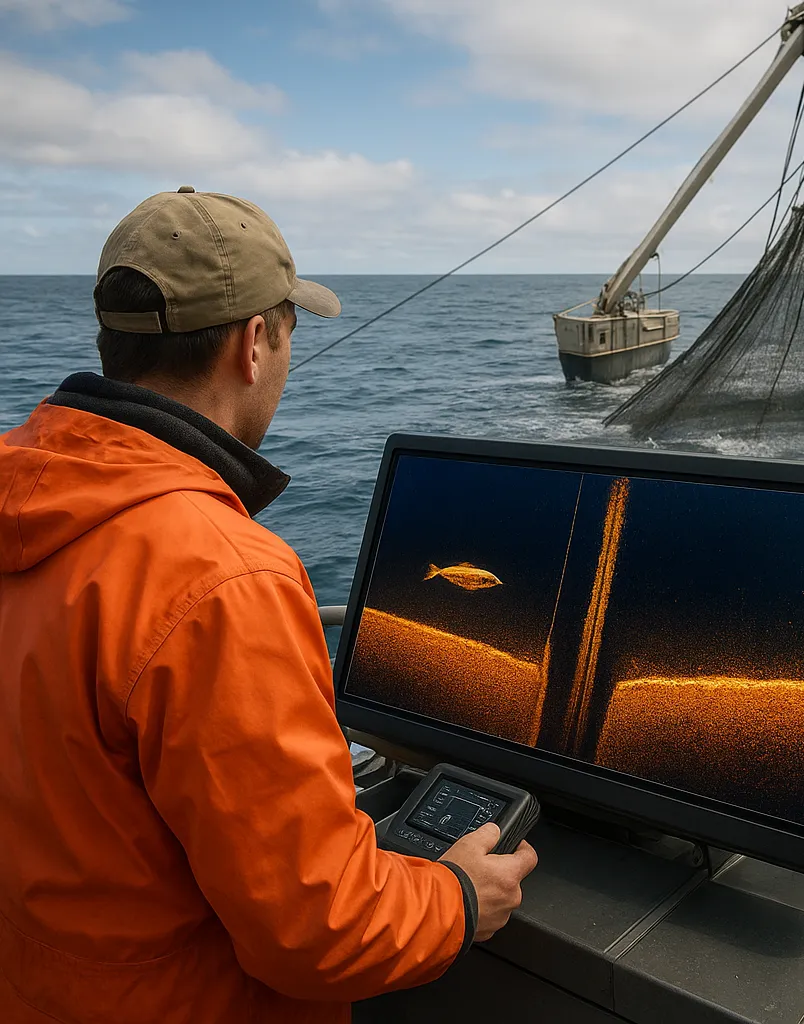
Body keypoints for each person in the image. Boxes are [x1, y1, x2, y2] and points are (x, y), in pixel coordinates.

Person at [0, 186, 537, 1023]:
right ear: (255, 344)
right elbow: (317, 930)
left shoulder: (23, 496)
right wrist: (459, 898)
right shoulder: (221, 578)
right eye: (287, 332)